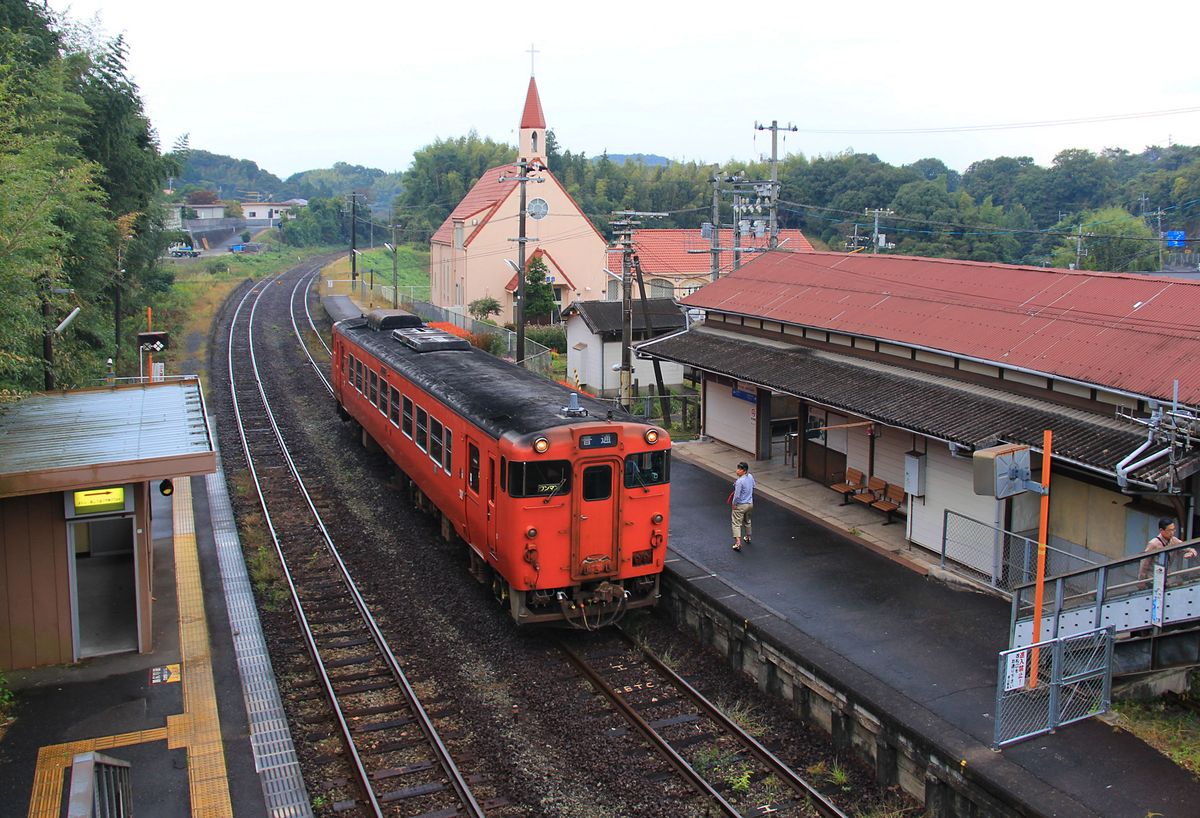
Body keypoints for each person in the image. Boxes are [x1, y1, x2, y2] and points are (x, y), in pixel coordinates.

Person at [1138, 517, 1197, 582]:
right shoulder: (1153, 543)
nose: (1172, 533)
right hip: (1152, 579)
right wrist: (1141, 581)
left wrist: (1191, 553)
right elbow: (1144, 564)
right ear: (1161, 530)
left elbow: (1189, 548)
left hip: (1166, 577)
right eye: (1169, 530)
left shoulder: (1173, 540)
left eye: (1173, 530)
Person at [731, 461, 755, 551]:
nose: (737, 471)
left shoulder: (739, 481)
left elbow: (736, 495)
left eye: (739, 469)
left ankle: (738, 543)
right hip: (750, 503)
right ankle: (748, 537)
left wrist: (734, 504)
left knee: (736, 523)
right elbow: (753, 486)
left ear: (744, 471)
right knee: (747, 520)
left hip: (741, 505)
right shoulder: (750, 476)